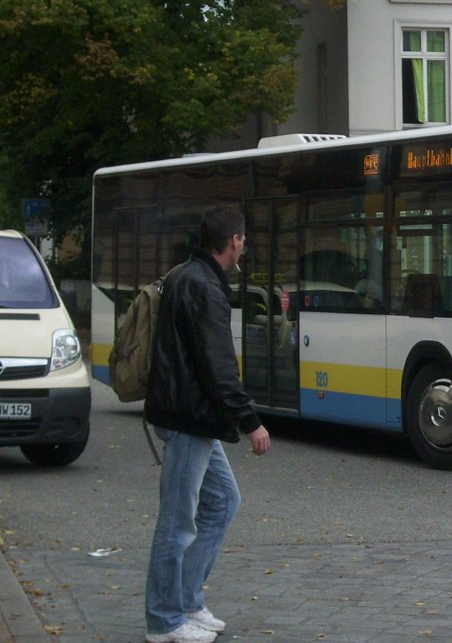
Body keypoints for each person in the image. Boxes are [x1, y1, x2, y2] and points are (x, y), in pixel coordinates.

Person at [144, 206, 271, 643]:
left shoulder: (189, 275)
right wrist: (251, 421)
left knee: (222, 502)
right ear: (234, 240)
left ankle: (188, 601)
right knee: (178, 522)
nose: (244, 246)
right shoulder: (203, 287)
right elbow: (219, 365)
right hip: (189, 418)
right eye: (244, 239)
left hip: (194, 417)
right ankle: (163, 620)